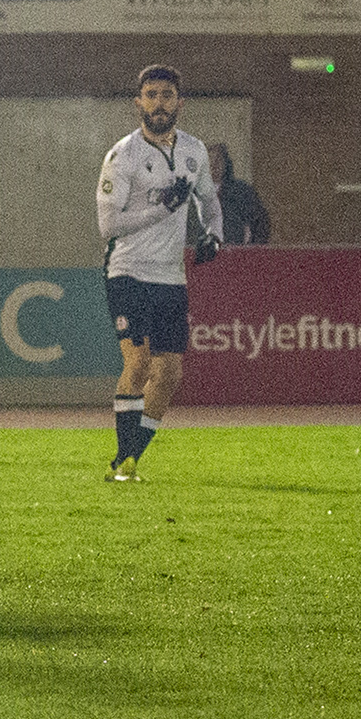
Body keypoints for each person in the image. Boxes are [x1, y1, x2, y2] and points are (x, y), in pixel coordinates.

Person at [97, 63, 222, 482]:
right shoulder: (123, 155)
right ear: (138, 104)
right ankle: (123, 460)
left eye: (166, 96)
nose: (159, 103)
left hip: (171, 277)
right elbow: (108, 227)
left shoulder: (194, 150)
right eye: (151, 96)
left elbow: (208, 199)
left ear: (179, 103)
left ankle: (130, 458)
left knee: (169, 375)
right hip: (128, 271)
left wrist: (214, 234)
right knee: (139, 364)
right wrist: (162, 208)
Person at [207, 142, 269, 244]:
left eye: (218, 159)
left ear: (225, 162)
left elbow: (260, 223)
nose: (214, 164)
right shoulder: (194, 192)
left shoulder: (242, 191)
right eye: (209, 160)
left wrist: (252, 247)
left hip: (236, 251)